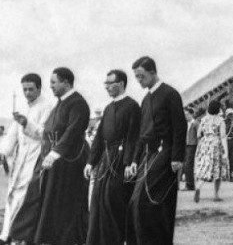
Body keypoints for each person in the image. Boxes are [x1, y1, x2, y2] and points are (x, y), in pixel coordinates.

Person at [10, 67, 91, 245]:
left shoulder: (78, 103)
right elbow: (46, 133)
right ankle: (30, 237)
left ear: (66, 82)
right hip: (51, 161)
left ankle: (65, 240)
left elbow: (72, 132)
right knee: (39, 197)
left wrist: (54, 154)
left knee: (63, 203)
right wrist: (27, 124)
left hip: (67, 163)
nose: (51, 86)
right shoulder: (60, 103)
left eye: (54, 82)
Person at [127, 56, 187, 245]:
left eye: (141, 76)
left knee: (149, 202)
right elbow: (141, 134)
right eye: (136, 77)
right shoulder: (145, 99)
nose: (139, 81)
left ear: (153, 72)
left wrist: (177, 157)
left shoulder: (170, 94)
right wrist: (135, 160)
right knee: (135, 203)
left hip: (166, 152)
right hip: (148, 154)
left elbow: (180, 126)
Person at [85, 69, 141, 245]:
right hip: (105, 161)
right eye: (106, 84)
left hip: (121, 162)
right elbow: (100, 138)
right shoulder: (108, 108)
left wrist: (129, 162)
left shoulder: (132, 106)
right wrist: (90, 162)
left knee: (114, 202)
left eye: (111, 83)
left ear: (122, 84)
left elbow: (134, 136)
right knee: (97, 201)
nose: (107, 87)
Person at [0, 73, 52, 244]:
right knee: (12, 194)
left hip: (35, 155)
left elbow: (46, 134)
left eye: (31, 89)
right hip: (20, 157)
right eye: (25, 89)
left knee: (25, 196)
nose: (27, 93)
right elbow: (12, 133)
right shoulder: (23, 106)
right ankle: (7, 234)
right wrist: (4, 151)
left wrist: (26, 123)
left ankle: (21, 236)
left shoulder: (47, 107)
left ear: (39, 88)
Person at [194, 99, 229, 202]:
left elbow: (198, 134)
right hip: (216, 144)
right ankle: (216, 195)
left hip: (205, 144)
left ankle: (198, 188)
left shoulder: (204, 119)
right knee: (217, 170)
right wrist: (226, 151)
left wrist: (205, 141)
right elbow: (223, 136)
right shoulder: (220, 120)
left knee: (204, 168)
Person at [183, 107, 199, 191]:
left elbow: (199, 135)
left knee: (188, 165)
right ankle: (189, 184)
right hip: (186, 145)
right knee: (186, 165)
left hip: (192, 146)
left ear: (191, 114)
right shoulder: (186, 124)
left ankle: (189, 185)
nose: (185, 116)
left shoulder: (195, 123)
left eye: (187, 114)